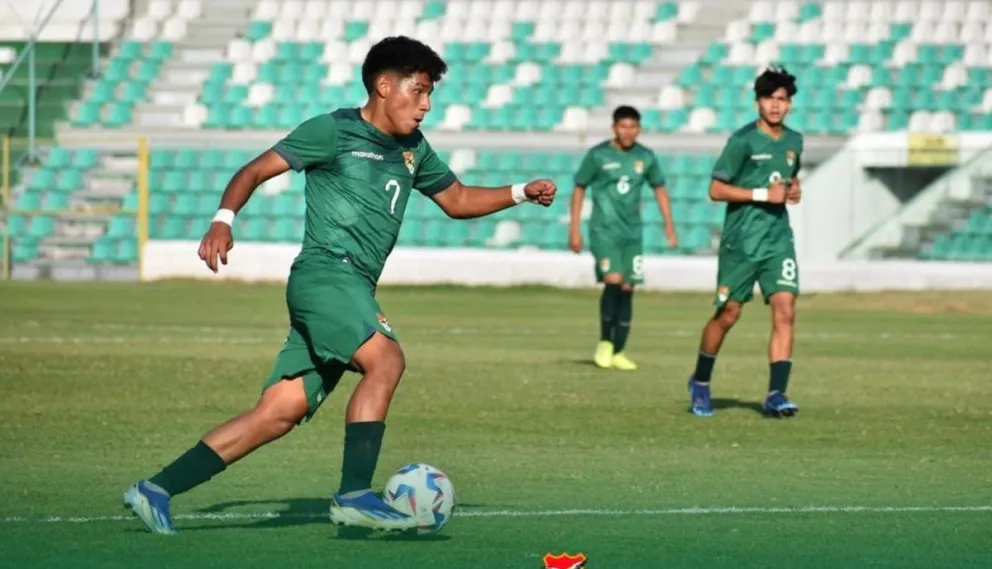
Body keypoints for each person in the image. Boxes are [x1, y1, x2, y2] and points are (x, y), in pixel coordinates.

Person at [123, 36, 557, 535]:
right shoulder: (332, 130)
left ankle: (155, 489)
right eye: (418, 92)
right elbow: (256, 169)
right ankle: (353, 494)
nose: (426, 105)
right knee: (387, 359)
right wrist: (224, 219)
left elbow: (457, 199)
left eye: (430, 95)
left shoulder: (414, 149)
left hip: (352, 286)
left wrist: (521, 193)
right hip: (327, 273)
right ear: (383, 85)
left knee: (278, 413)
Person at [686, 66, 803, 418]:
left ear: (789, 104)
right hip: (741, 242)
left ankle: (776, 395)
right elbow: (716, 189)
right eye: (769, 98)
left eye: (781, 99)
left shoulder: (795, 141)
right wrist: (761, 194)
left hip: (777, 239)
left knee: (785, 310)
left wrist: (793, 189)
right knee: (728, 314)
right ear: (758, 102)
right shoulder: (742, 141)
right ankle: (701, 382)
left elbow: (786, 181)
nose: (775, 105)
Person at [568, 105, 677, 371]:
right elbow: (579, 188)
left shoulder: (646, 157)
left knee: (628, 287)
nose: (628, 132)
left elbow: (659, 189)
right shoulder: (598, 155)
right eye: (623, 126)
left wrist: (669, 225)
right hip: (604, 230)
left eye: (633, 126)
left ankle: (619, 350)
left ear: (639, 128)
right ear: (613, 127)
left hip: (632, 233)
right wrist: (574, 228)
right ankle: (605, 342)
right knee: (613, 281)